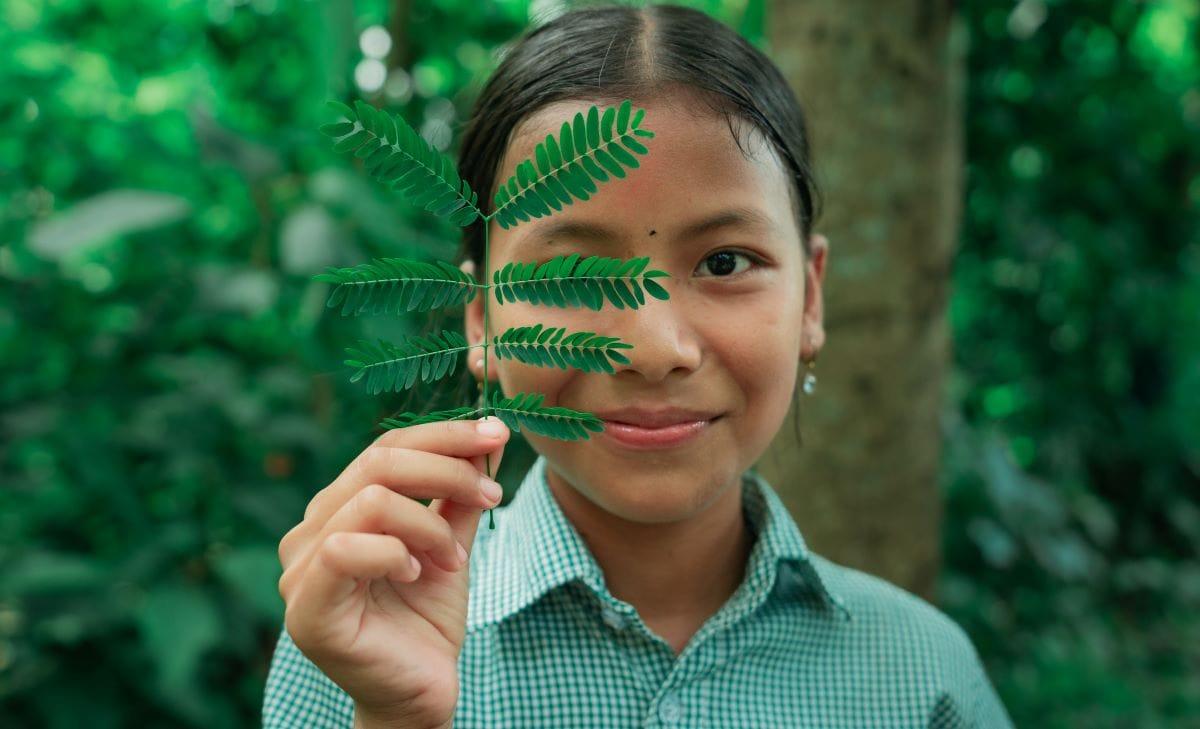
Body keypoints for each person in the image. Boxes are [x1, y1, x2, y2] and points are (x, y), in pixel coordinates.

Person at [264, 4, 1014, 728]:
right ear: (481, 316)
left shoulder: (923, 675)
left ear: (810, 297)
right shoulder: (355, 644)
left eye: (725, 262)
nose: (653, 349)